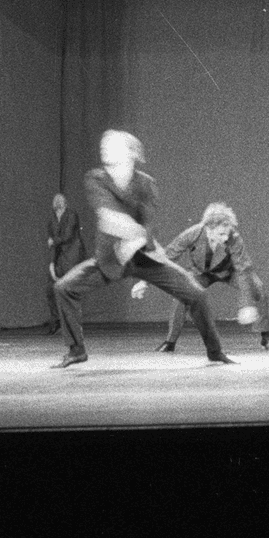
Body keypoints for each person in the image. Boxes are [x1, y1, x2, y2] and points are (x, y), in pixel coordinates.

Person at [52, 129, 233, 369]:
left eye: (112, 145)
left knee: (196, 294)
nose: (104, 149)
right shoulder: (96, 179)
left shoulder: (146, 184)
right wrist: (135, 236)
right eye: (104, 146)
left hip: (145, 259)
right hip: (110, 259)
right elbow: (109, 219)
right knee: (64, 287)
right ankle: (76, 351)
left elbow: (146, 226)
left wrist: (136, 240)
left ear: (131, 153)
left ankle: (215, 352)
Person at [142, 202, 269, 352]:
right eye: (221, 234)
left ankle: (265, 336)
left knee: (258, 288)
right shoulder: (192, 234)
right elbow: (168, 255)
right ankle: (170, 342)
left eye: (227, 233)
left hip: (229, 272)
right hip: (200, 273)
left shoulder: (234, 238)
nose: (226, 238)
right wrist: (145, 281)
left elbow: (243, 270)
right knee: (182, 296)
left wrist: (246, 304)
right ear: (208, 229)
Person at [44, 193, 85, 334]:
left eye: (60, 200)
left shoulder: (71, 215)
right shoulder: (52, 218)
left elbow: (67, 236)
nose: (57, 201)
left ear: (65, 203)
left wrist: (53, 241)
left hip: (72, 256)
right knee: (50, 289)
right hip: (59, 257)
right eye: (55, 200)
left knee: (69, 289)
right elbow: (51, 240)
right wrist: (51, 262)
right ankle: (56, 321)